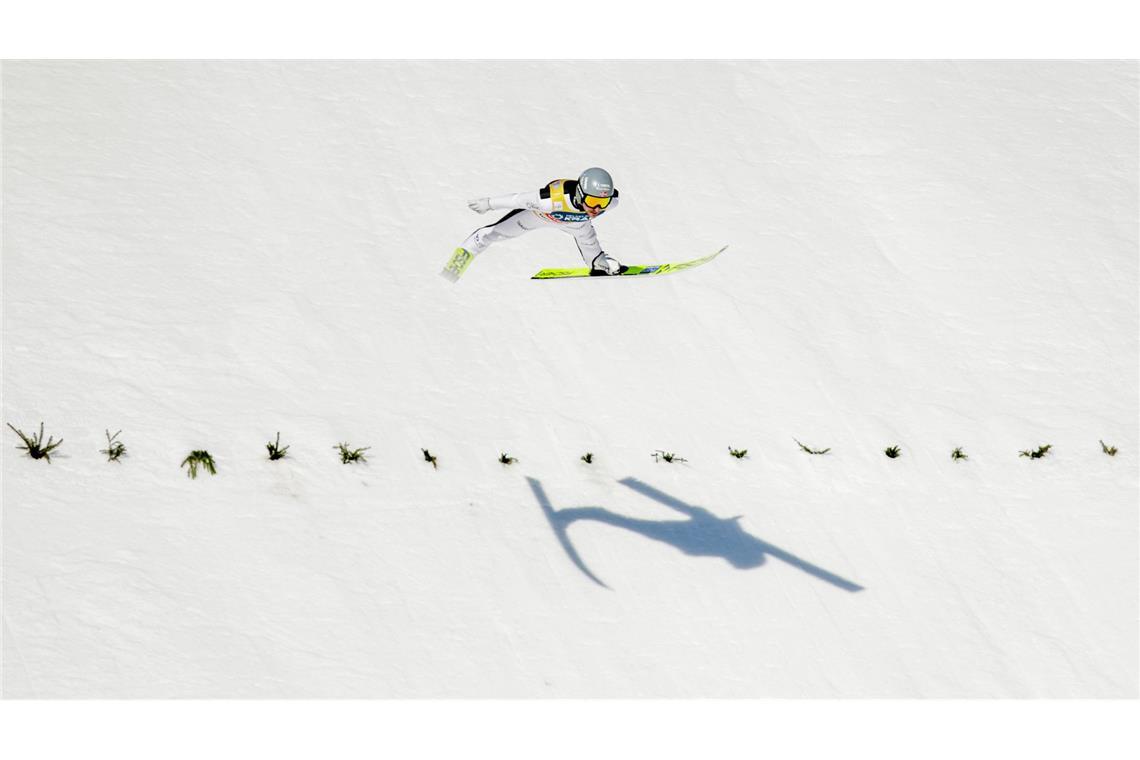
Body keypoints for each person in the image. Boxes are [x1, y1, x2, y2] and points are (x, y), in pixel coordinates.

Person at [442, 167, 627, 281]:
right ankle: (452, 269)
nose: (596, 209)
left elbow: (592, 218)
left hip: (575, 222)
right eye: (592, 201)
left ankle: (597, 263)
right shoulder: (550, 200)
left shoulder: (611, 202)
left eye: (602, 204)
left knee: (587, 236)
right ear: (579, 193)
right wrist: (489, 203)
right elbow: (518, 200)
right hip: (538, 217)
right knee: (488, 235)